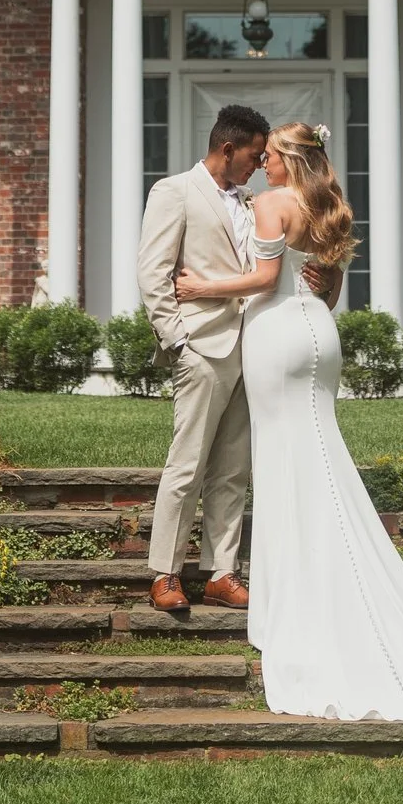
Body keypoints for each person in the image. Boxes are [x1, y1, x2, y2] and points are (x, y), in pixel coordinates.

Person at [176, 121, 403, 719]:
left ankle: (299, 597)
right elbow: (329, 289)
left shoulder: (272, 203)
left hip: (277, 336)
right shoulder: (329, 206)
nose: (262, 165)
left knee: (286, 463)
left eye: (269, 156)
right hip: (319, 334)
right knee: (317, 456)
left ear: (289, 160)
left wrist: (200, 286)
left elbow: (266, 281)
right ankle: (324, 577)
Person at [135, 103, 272, 615]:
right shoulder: (173, 192)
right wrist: (177, 341)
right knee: (187, 463)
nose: (259, 165)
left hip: (249, 350)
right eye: (254, 156)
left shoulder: (250, 201)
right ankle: (165, 573)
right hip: (201, 348)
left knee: (234, 468)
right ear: (227, 147)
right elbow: (153, 272)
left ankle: (221, 572)